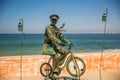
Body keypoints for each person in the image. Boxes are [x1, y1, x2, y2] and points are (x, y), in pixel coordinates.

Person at [41, 14, 72, 78]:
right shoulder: (48, 27)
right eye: (53, 20)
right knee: (55, 57)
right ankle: (54, 72)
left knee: (64, 52)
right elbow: (51, 37)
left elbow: (62, 37)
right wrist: (60, 42)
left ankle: (57, 64)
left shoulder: (57, 29)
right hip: (47, 46)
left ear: (57, 21)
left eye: (55, 20)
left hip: (54, 46)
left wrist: (69, 42)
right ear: (51, 20)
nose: (54, 21)